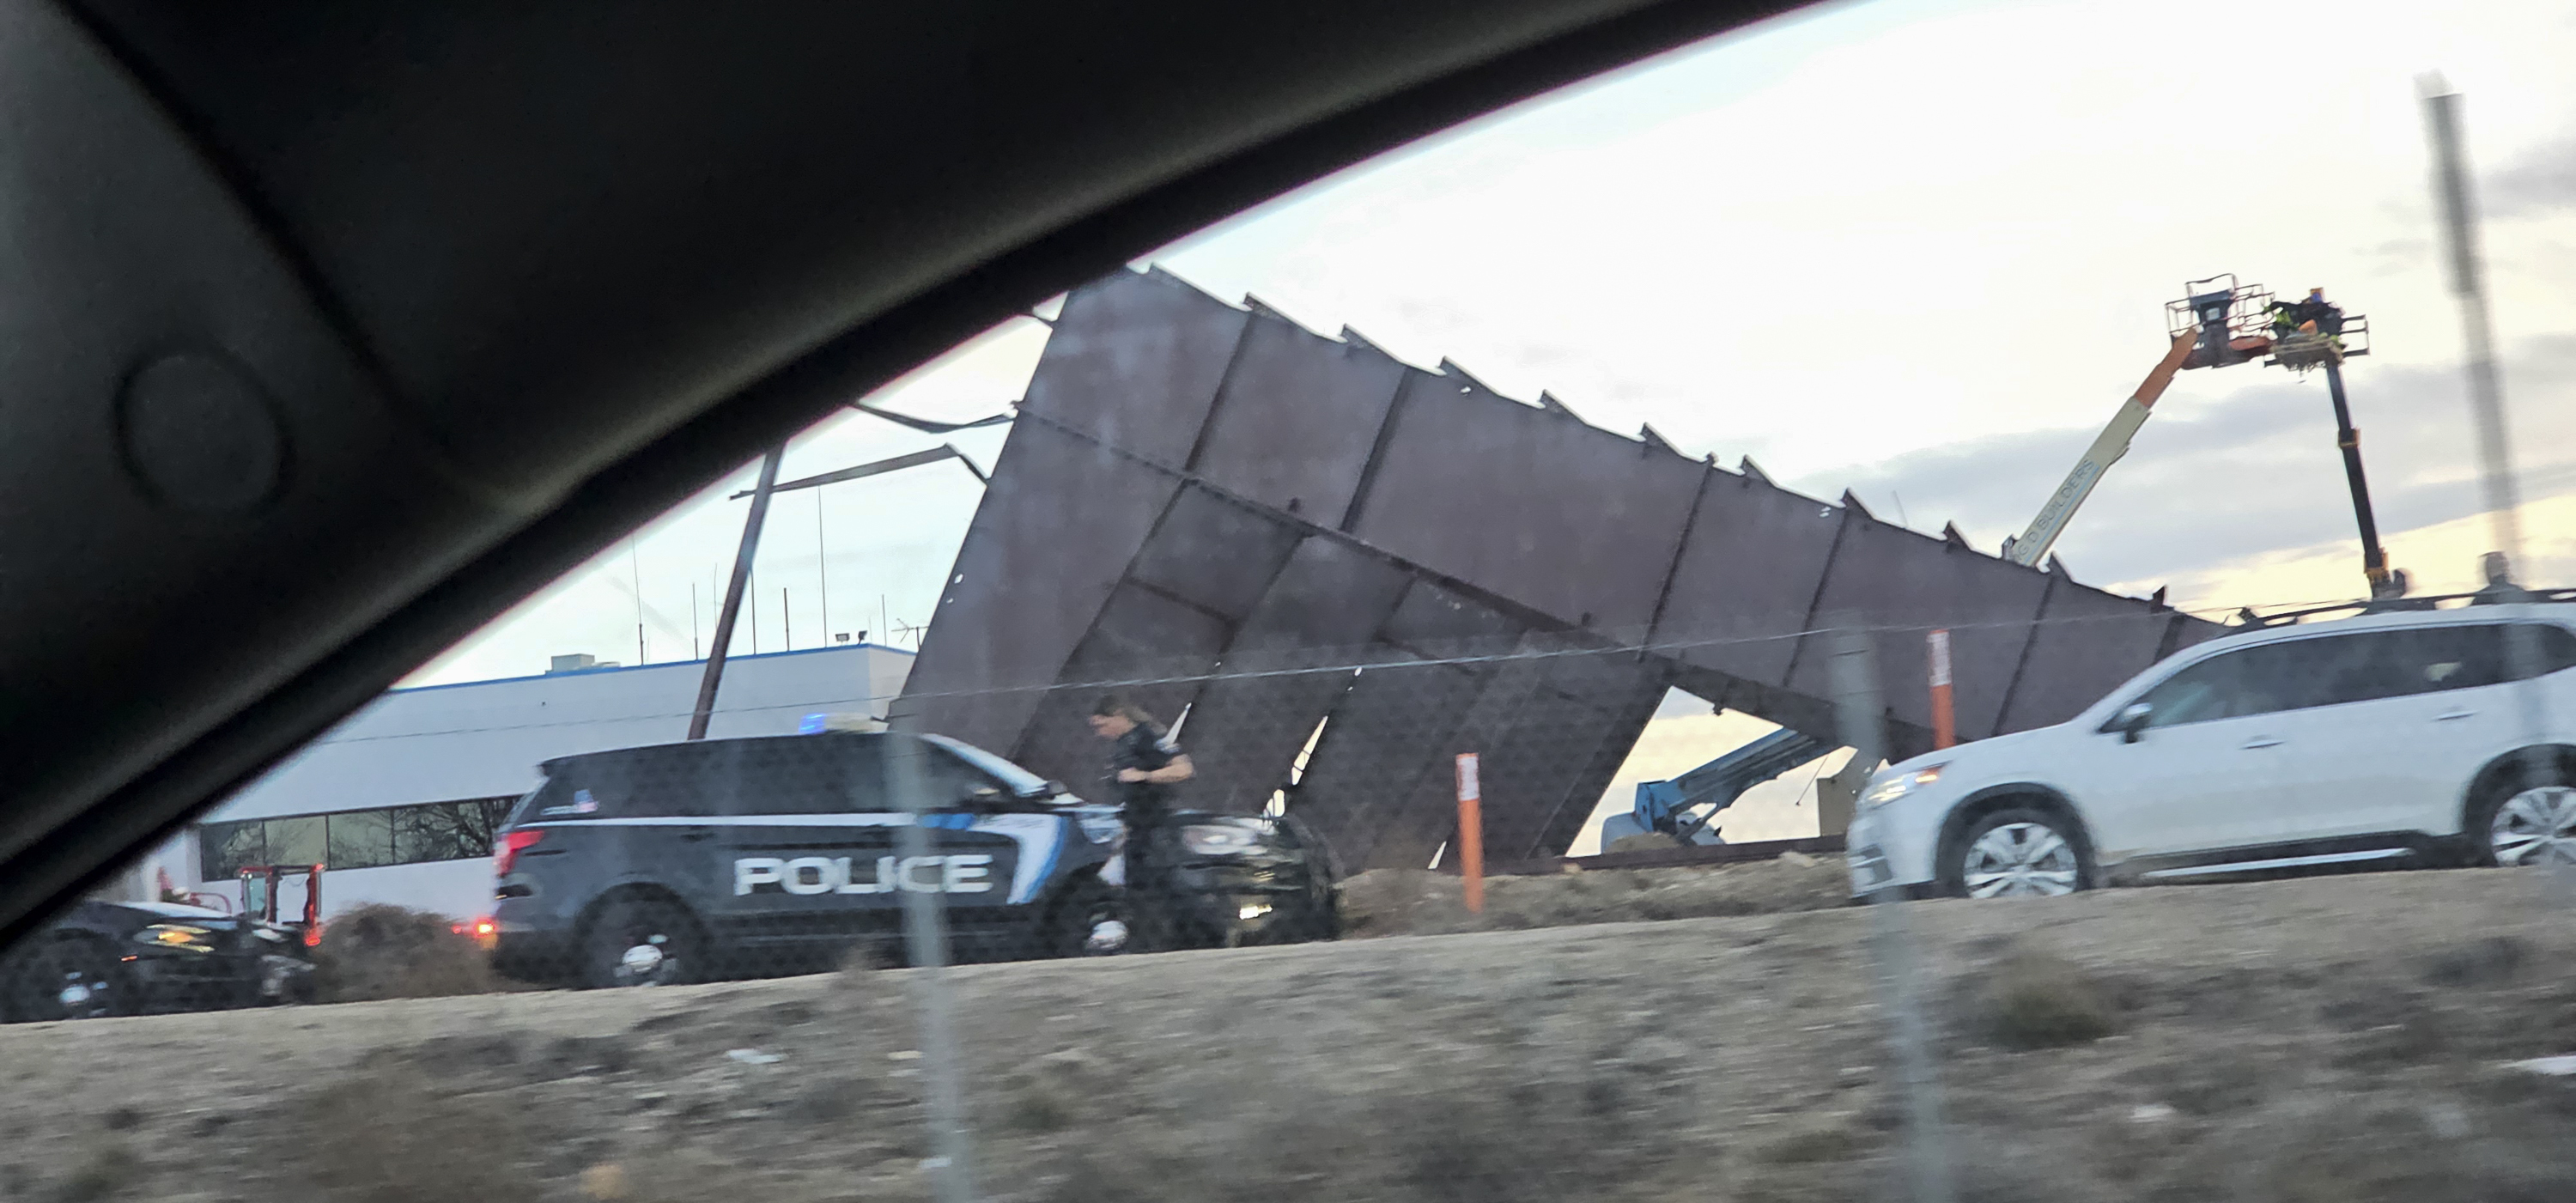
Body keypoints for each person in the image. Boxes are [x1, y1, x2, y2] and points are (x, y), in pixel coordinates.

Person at [1086, 696, 1194, 949]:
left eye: (1102, 725)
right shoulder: (1123, 743)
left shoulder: (1150, 737)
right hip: (1135, 825)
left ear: (1118, 716)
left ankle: (1184, 935)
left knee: (1163, 882)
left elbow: (1183, 769)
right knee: (1135, 885)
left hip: (1157, 825)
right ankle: (1143, 940)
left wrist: (1144, 776)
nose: (1100, 733)